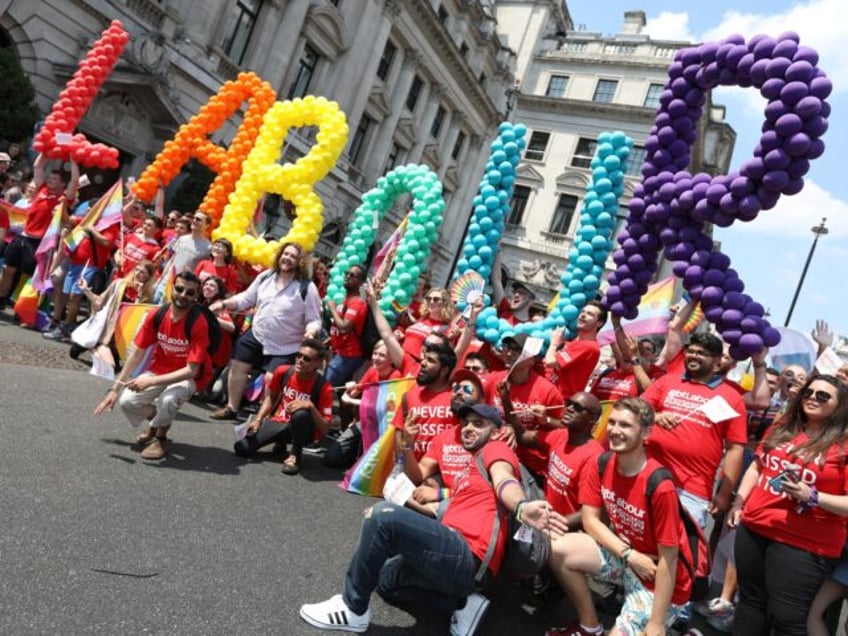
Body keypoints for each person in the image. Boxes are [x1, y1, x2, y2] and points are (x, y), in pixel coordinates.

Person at [299, 403, 563, 636]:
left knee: (383, 518)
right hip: (457, 558)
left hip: (469, 556)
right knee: (385, 579)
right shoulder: (469, 472)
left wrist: (520, 506)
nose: (469, 428)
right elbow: (439, 508)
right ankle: (463, 603)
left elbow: (505, 480)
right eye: (466, 423)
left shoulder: (495, 450)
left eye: (478, 423)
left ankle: (352, 609)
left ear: (496, 431)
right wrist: (401, 494)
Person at [546, 397, 693, 636]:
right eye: (612, 422)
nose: (614, 430)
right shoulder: (602, 462)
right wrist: (628, 554)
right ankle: (590, 628)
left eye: (625, 425)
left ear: (646, 433)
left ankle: (671, 624)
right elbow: (590, 519)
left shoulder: (659, 485)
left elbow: (670, 559)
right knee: (556, 547)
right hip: (627, 557)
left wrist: (655, 623)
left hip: (658, 577)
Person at [728, 374, 848, 636]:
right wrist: (739, 502)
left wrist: (813, 496)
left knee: (787, 617)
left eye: (823, 395)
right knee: (750, 604)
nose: (812, 398)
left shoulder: (844, 445)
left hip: (804, 543)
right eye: (809, 392)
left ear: (840, 405)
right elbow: (757, 466)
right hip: (755, 528)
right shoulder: (783, 426)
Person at [93, 272, 211, 461]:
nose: (183, 295)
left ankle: (160, 438)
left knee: (168, 400)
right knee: (128, 402)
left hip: (188, 376)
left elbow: (192, 370)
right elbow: (137, 352)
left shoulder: (198, 323)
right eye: (179, 289)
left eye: (190, 293)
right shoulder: (157, 314)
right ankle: (158, 424)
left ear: (196, 297)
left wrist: (150, 382)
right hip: (160, 368)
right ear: (172, 287)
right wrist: (114, 389)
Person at [641, 333, 747, 528]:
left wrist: (723, 494)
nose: (694, 356)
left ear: (716, 361)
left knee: (676, 551)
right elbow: (636, 409)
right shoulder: (667, 381)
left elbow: (735, 449)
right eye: (691, 351)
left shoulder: (731, 397)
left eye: (702, 353)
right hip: (646, 474)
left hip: (691, 491)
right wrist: (656, 417)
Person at [209, 241, 322, 420]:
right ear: (279, 256)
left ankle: (262, 418)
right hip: (257, 334)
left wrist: (311, 331)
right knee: (237, 365)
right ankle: (232, 408)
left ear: (299, 262)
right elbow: (246, 299)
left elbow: (314, 319)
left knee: (272, 380)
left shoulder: (307, 288)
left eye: (293, 256)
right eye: (286, 254)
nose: (288, 258)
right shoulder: (265, 277)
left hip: (285, 345)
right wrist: (223, 304)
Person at [233, 338, 333, 475]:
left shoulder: (324, 387)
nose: (300, 360)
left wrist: (310, 406)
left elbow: (325, 428)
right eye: (299, 355)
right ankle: (280, 442)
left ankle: (295, 456)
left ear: (317, 363)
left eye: (307, 359)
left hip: (303, 430)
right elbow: (271, 398)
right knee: (242, 448)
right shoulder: (283, 371)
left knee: (301, 413)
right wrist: (258, 419)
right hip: (279, 422)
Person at [509, 391, 604, 532]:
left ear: (592, 419)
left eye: (577, 407)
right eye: (568, 404)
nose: (570, 408)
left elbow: (589, 514)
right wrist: (506, 399)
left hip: (564, 532)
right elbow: (523, 436)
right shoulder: (560, 435)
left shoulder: (593, 457)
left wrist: (548, 524)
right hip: (546, 515)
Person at [400, 368, 486, 517]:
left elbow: (483, 490)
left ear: (482, 401)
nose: (459, 392)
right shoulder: (442, 438)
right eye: (455, 388)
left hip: (476, 509)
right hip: (448, 503)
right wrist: (407, 446)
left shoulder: (491, 435)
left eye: (467, 389)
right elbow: (418, 475)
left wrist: (440, 494)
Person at [0, 154, 79, 310]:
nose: (49, 180)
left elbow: (75, 181)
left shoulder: (63, 198)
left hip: (39, 243)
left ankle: (22, 307)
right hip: (21, 237)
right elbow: (38, 166)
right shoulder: (41, 189)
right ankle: (1, 298)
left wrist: (73, 160)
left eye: (54, 179)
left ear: (62, 184)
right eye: (49, 178)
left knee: (29, 277)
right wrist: (45, 150)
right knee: (8, 270)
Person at [491, 332, 565, 481]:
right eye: (508, 347)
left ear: (531, 360)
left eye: (517, 350)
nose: (510, 353)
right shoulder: (493, 379)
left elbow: (564, 426)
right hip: (495, 456)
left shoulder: (548, 391)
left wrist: (546, 420)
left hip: (531, 467)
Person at [393, 343, 457, 461]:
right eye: (424, 358)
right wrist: (401, 463)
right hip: (409, 469)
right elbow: (399, 433)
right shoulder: (408, 397)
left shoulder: (456, 399)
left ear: (444, 370)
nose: (422, 363)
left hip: (442, 472)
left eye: (430, 360)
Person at [545, 301, 605, 401]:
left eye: (590, 314)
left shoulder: (589, 346)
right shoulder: (572, 341)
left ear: (599, 323)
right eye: (583, 312)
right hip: (549, 394)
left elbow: (549, 362)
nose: (583, 315)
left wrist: (554, 344)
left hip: (560, 400)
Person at [325, 264, 368, 387]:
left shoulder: (357, 303)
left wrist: (332, 309)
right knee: (338, 393)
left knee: (324, 388)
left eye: (352, 275)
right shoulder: (346, 299)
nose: (347, 277)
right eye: (346, 273)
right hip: (338, 352)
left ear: (361, 282)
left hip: (348, 356)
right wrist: (330, 340)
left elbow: (344, 328)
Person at [400, 286, 457, 361]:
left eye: (436, 299)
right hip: (400, 358)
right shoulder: (421, 320)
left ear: (445, 303)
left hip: (415, 364)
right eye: (428, 299)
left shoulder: (446, 328)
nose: (431, 301)